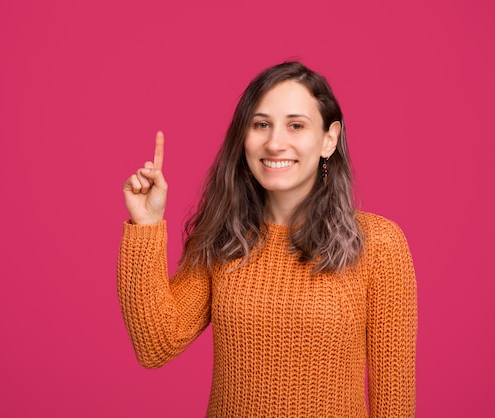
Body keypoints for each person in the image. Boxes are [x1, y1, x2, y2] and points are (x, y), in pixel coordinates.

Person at [118, 61, 417, 417]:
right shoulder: (223, 237)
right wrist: (147, 223)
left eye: (296, 126)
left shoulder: (379, 244)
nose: (275, 143)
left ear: (328, 139)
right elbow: (156, 343)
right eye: (261, 124)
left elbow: (393, 401)